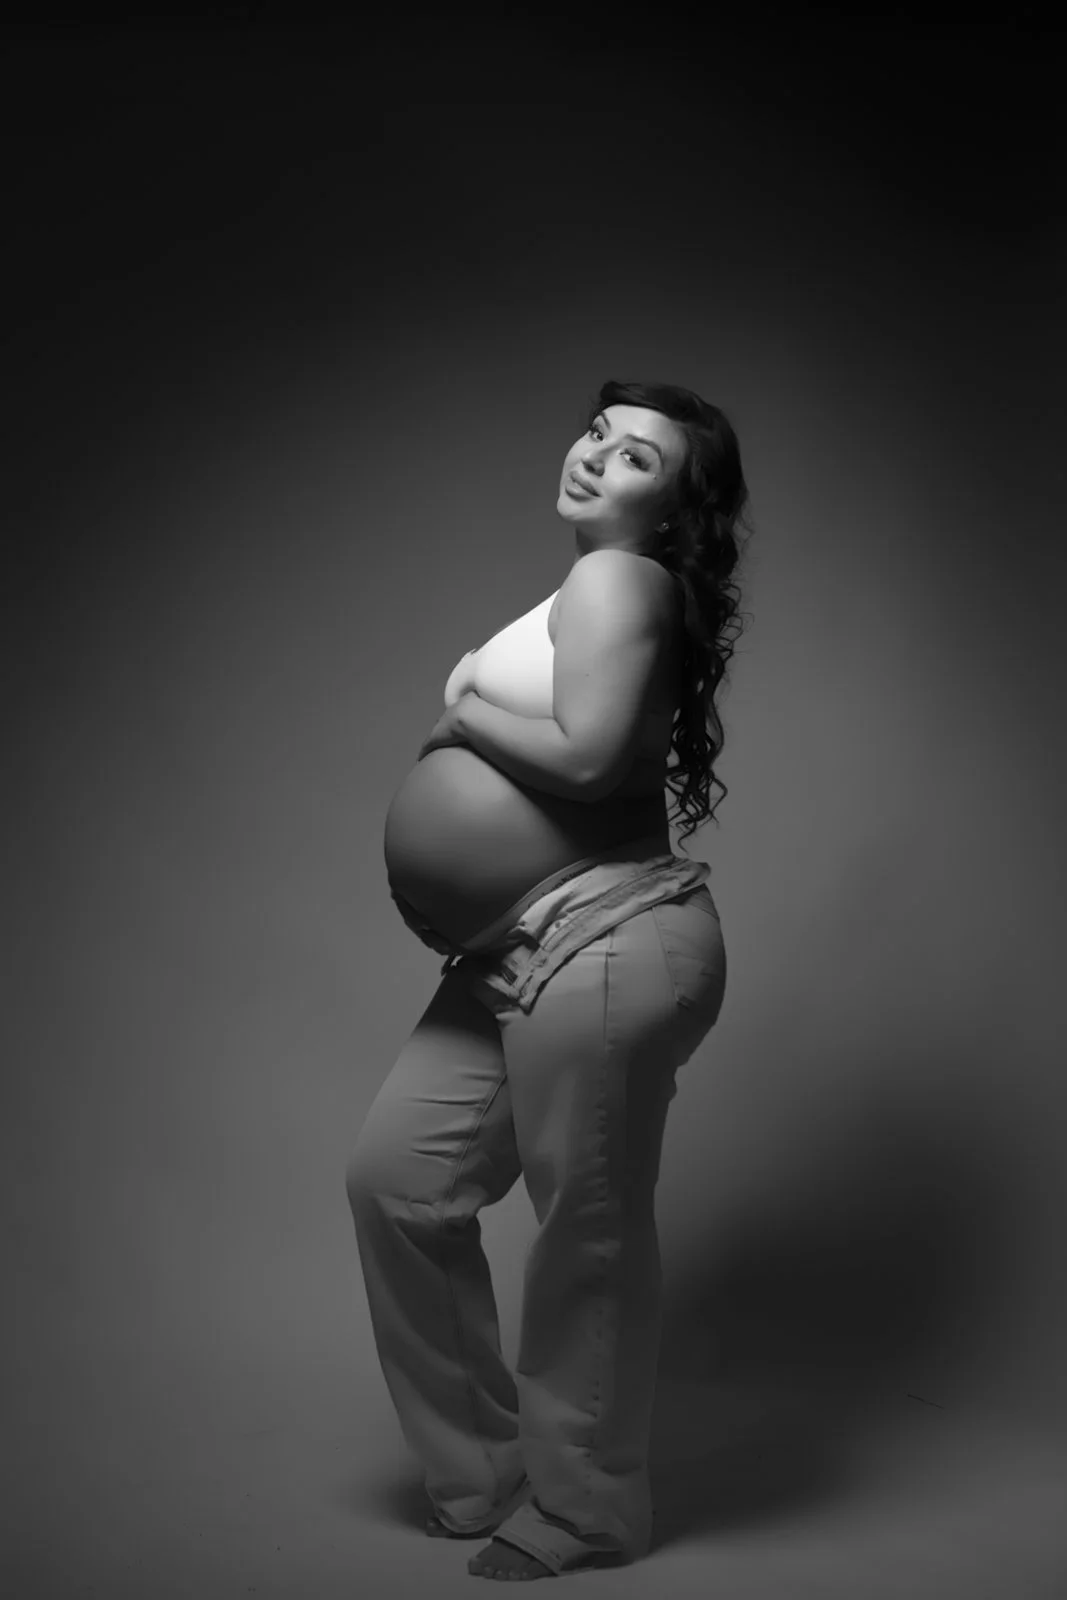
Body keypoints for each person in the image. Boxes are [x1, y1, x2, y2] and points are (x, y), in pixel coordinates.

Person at [346, 379, 751, 1579]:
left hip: (603, 938)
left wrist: (463, 706)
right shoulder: (587, 587)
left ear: (671, 509)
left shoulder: (617, 579)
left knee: (586, 1231)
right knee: (396, 1183)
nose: (593, 457)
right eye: (596, 432)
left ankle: (585, 1511)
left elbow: (583, 756)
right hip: (509, 954)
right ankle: (482, 1469)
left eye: (634, 457)